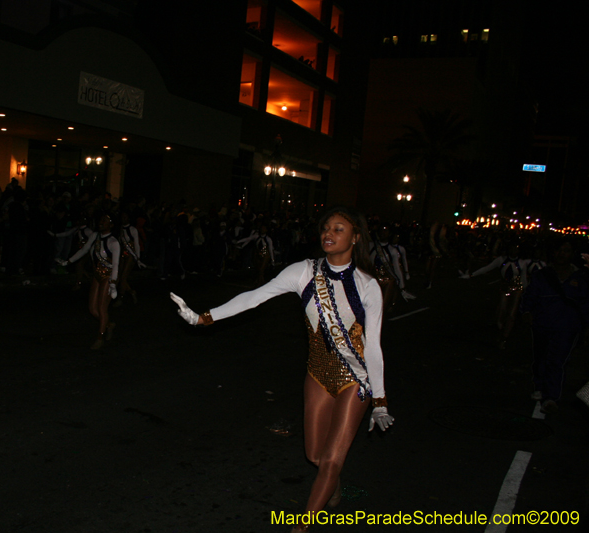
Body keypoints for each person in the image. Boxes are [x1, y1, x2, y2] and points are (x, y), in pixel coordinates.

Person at [171, 206, 394, 531]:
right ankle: (334, 481)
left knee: (331, 460)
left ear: (355, 238)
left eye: (339, 229)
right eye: (326, 228)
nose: (329, 234)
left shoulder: (367, 286)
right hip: (317, 374)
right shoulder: (303, 272)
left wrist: (380, 401)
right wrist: (204, 317)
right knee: (316, 456)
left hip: (354, 379)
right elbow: (254, 297)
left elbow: (373, 346)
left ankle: (303, 525)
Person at [520, 241, 589, 413]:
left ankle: (551, 396)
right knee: (541, 357)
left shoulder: (580, 277)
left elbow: (586, 303)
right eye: (559, 250)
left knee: (557, 360)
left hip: (567, 326)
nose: (562, 254)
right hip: (543, 323)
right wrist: (526, 311)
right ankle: (540, 385)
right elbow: (530, 295)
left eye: (566, 251)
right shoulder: (543, 274)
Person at [57, 213, 120, 349]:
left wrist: (113, 284)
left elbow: (115, 265)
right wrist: (68, 262)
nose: (101, 222)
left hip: (109, 277)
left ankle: (100, 337)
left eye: (105, 220)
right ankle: (108, 325)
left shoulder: (114, 242)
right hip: (97, 275)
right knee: (92, 309)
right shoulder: (95, 236)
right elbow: (84, 250)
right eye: (101, 219)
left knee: (102, 309)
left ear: (112, 225)